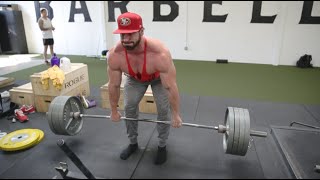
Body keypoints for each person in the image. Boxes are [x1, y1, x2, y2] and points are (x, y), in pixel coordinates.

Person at [107, 12, 183, 165]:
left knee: (163, 109)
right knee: (129, 106)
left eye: (130, 34)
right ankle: (133, 143)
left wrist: (176, 114)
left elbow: (170, 86)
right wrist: (114, 110)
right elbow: (114, 85)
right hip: (134, 79)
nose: (126, 39)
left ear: (141, 31)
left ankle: (162, 145)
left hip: (158, 80)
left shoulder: (159, 53)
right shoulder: (115, 54)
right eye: (123, 35)